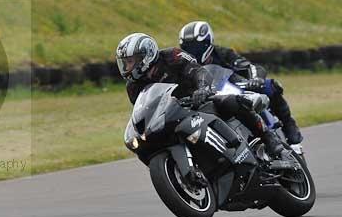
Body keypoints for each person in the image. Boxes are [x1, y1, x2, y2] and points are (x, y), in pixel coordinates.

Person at [116, 32, 285, 158]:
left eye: (130, 61)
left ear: (146, 56)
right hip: (173, 113)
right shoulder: (133, 87)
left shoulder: (172, 56)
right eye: (125, 63)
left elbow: (198, 70)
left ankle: (268, 137)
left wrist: (202, 88)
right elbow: (145, 108)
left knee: (230, 101)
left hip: (199, 98)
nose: (127, 67)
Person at [178, 21, 303, 152]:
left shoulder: (223, 54)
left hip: (235, 87)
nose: (194, 52)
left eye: (197, 47)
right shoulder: (184, 63)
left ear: (208, 43)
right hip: (208, 97)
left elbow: (250, 67)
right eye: (188, 48)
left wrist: (256, 79)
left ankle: (291, 133)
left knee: (270, 86)